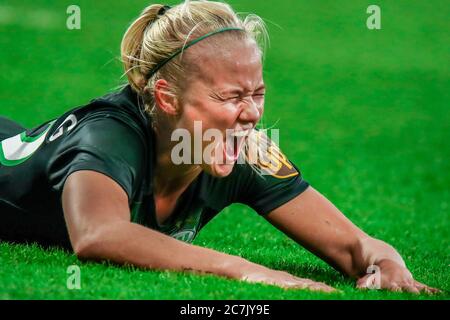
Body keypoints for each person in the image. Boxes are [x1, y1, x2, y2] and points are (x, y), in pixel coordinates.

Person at [0, 0, 440, 294]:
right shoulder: (108, 137)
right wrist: (247, 269)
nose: (251, 114)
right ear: (166, 96)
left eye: (258, 93)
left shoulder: (238, 147)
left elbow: (352, 247)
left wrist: (384, 260)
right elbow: (99, 234)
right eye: (231, 97)